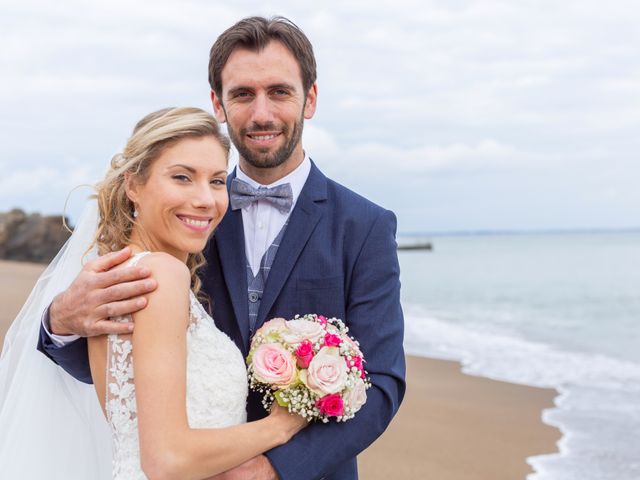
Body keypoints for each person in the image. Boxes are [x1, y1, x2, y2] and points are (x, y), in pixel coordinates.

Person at [38, 16, 406, 480]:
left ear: (309, 99)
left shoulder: (365, 225)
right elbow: (120, 372)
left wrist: (276, 467)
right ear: (218, 102)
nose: (262, 114)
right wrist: (61, 322)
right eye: (242, 94)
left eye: (279, 91)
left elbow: (382, 380)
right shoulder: (184, 221)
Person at [0, 107, 307, 479]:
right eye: (182, 177)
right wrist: (280, 426)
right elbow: (166, 459)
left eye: (215, 181)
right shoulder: (160, 275)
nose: (205, 199)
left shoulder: (120, 275)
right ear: (133, 185)